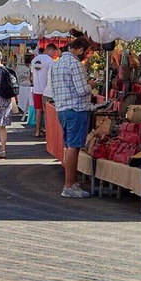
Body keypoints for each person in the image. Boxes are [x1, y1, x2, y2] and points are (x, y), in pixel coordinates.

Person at [49, 38, 94, 198]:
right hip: (76, 109)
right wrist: (91, 86)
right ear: (80, 49)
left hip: (62, 109)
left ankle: (70, 184)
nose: (86, 55)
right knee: (73, 147)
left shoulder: (57, 64)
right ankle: (70, 185)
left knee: (69, 146)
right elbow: (82, 90)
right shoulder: (75, 64)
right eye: (87, 52)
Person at [30, 44, 57, 138]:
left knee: (38, 111)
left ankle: (37, 131)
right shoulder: (50, 61)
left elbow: (32, 75)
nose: (54, 54)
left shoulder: (34, 60)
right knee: (47, 112)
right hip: (47, 90)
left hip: (36, 89)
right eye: (54, 52)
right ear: (50, 50)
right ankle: (47, 131)